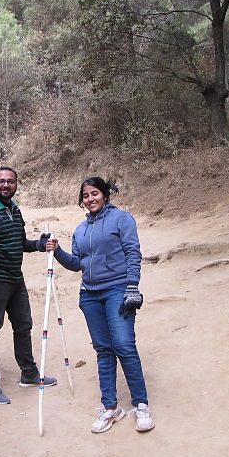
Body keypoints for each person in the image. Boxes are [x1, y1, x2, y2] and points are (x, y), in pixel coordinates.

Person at [44, 177, 154, 434]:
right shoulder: (81, 230)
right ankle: (110, 407)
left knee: (124, 346)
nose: (90, 199)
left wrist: (132, 286)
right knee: (103, 349)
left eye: (95, 193)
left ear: (105, 194)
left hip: (117, 289)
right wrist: (57, 251)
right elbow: (77, 263)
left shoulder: (122, 219)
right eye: (86, 196)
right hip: (90, 295)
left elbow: (133, 253)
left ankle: (141, 404)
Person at [0, 165, 57, 404]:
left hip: (15, 279)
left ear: (16, 185)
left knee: (23, 325)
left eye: (10, 181)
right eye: (0, 181)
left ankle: (29, 374)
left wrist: (38, 245)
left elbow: (20, 243)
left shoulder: (15, 211)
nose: (5, 185)